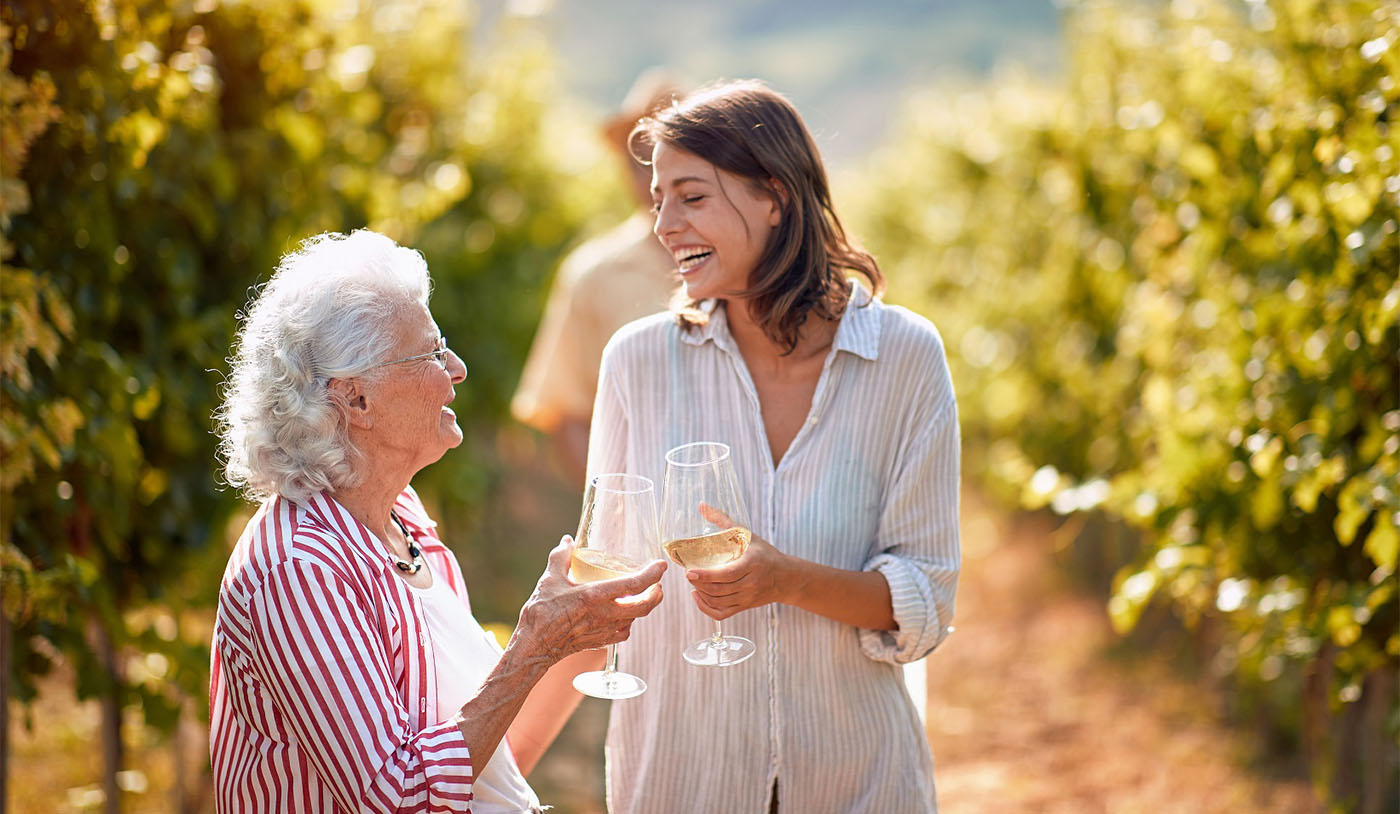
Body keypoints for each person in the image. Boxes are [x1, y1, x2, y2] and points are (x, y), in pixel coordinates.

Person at [586, 80, 961, 812]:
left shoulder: (905, 357)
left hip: (859, 783)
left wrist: (785, 579)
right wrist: (483, 775)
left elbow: (925, 601)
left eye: (691, 196)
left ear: (775, 198)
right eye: (659, 198)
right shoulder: (636, 360)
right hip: (681, 780)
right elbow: (607, 587)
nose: (663, 223)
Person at [209, 230, 666, 813]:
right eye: (430, 352)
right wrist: (531, 647)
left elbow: (481, 765)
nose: (457, 368)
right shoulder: (298, 569)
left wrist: (573, 644)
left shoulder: (404, 518)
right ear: (355, 399)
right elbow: (400, 798)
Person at [511, 69, 683, 487]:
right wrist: (616, 510)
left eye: (665, 150)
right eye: (637, 154)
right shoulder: (592, 275)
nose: (650, 170)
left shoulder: (747, 265)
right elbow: (564, 413)